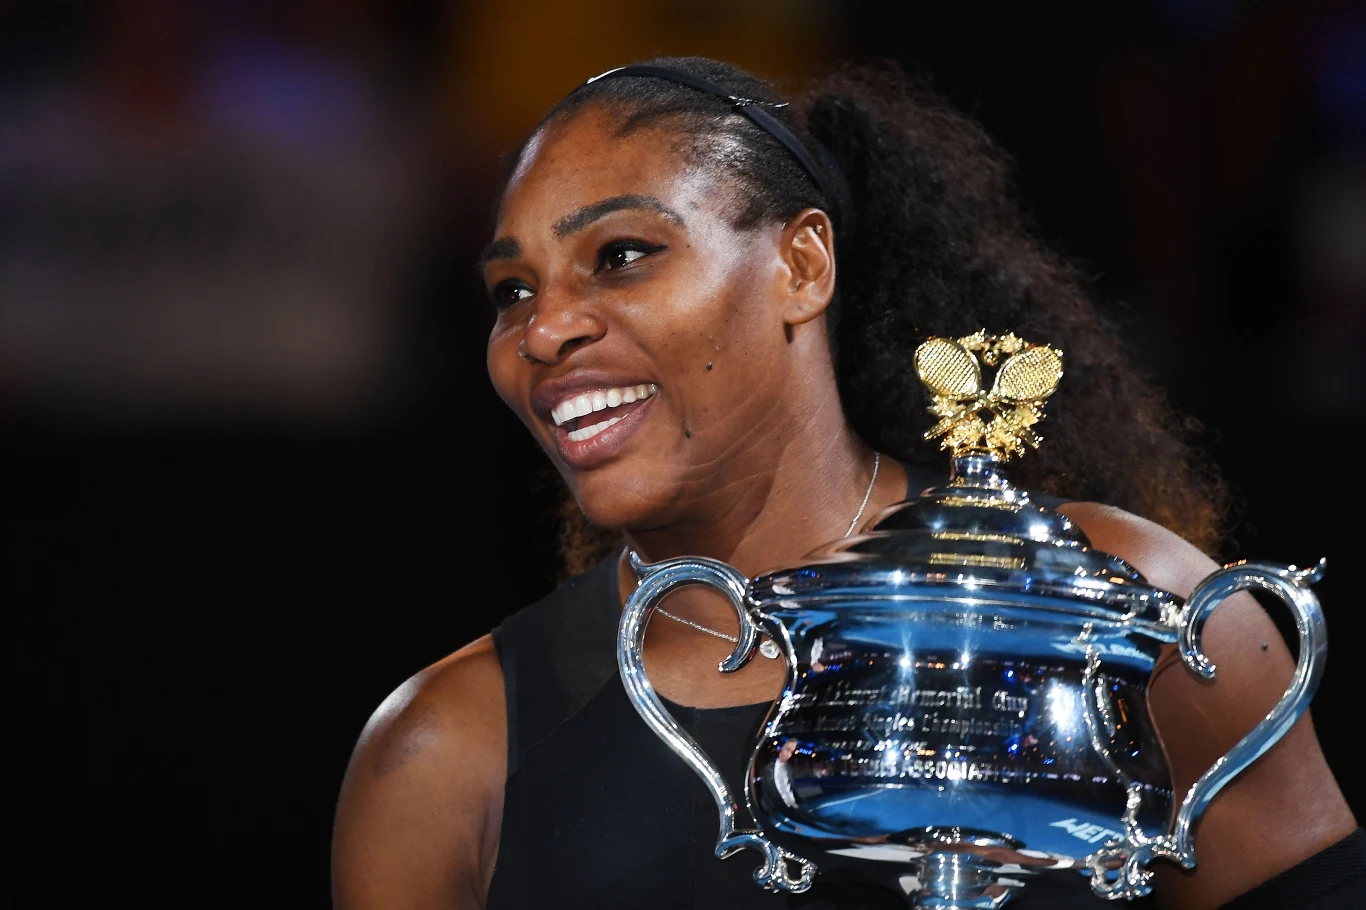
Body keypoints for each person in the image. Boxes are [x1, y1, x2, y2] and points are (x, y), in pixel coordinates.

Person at [331, 58, 1360, 909]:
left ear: (802, 265)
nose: (543, 330)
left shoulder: (1135, 606)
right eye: (512, 290)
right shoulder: (444, 754)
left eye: (622, 254)